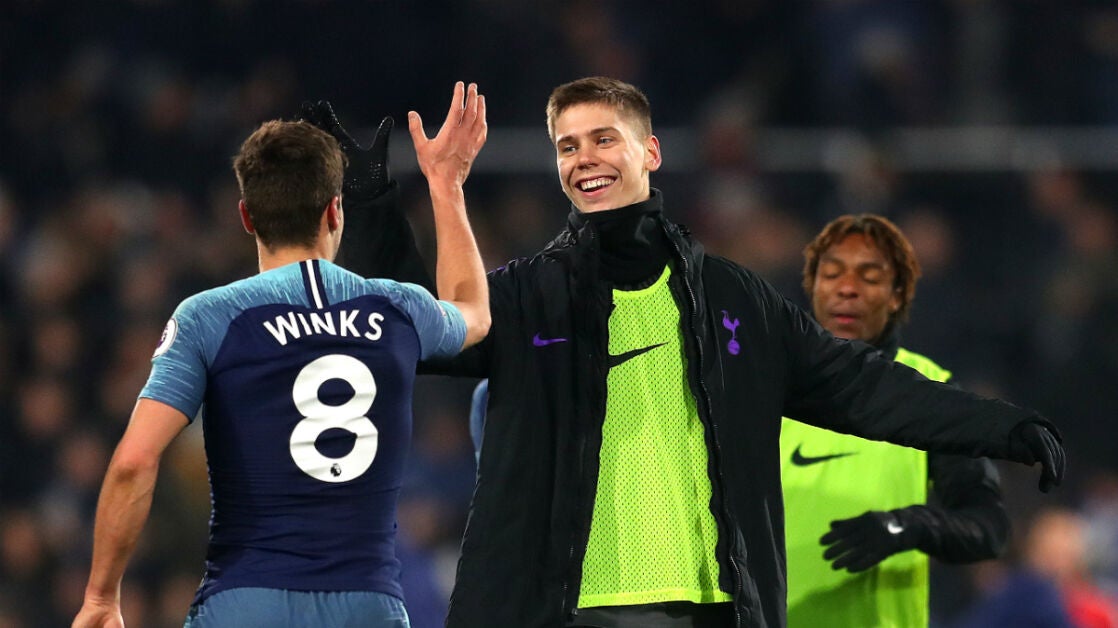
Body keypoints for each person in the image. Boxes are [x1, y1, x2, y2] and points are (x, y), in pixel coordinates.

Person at [322, 76, 1065, 628]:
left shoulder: (734, 299)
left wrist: (1004, 427)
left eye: (603, 138)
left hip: (711, 612)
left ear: (650, 151)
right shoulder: (527, 297)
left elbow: (865, 387)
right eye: (567, 147)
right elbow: (422, 334)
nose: (584, 158)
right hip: (562, 613)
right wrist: (375, 204)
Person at [70, 81, 490, 627]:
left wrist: (102, 597)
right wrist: (446, 185)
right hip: (368, 605)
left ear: (247, 216)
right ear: (335, 211)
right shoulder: (397, 308)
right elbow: (473, 312)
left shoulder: (210, 316)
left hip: (247, 602)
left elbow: (133, 462)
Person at [779, 213, 1010, 627]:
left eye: (869, 277)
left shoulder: (933, 393)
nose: (847, 289)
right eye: (831, 275)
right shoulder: (767, 388)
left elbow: (989, 529)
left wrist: (909, 526)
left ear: (897, 296)